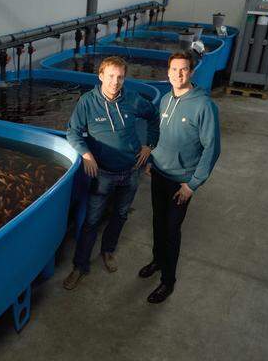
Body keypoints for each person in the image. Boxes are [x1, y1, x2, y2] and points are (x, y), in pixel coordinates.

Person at [63, 56, 159, 290]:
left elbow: (154, 117)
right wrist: (86, 155)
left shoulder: (132, 99)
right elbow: (73, 132)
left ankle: (107, 251)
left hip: (132, 170)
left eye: (120, 77)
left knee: (121, 214)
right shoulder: (87, 102)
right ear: (101, 76)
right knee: (91, 221)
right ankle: (80, 265)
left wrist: (149, 145)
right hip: (103, 174)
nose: (116, 82)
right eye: (111, 76)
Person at [140, 51, 221, 303]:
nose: (178, 74)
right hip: (159, 174)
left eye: (184, 69)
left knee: (172, 229)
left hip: (181, 183)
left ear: (192, 72)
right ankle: (157, 259)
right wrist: (152, 159)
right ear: (168, 72)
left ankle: (168, 280)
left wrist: (192, 185)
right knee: (157, 221)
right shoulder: (165, 99)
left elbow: (212, 148)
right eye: (174, 69)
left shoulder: (204, 106)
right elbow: (160, 134)